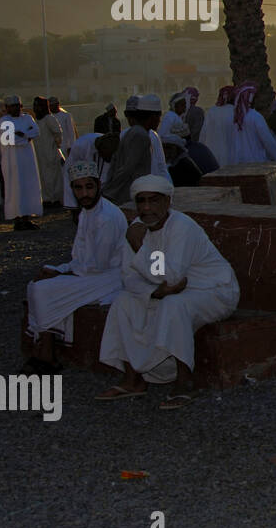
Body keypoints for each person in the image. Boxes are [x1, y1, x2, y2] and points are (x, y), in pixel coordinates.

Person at [96, 175, 239, 409]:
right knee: (122, 302)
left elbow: (172, 275)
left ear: (168, 201)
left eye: (154, 200)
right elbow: (129, 277)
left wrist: (140, 248)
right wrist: (154, 293)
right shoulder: (136, 230)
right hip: (165, 291)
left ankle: (185, 383)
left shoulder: (182, 226)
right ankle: (133, 379)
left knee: (175, 305)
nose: (147, 208)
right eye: (141, 201)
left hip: (215, 291)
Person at [22, 162, 128, 372]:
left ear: (98, 186)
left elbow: (98, 265)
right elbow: (80, 257)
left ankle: (46, 355)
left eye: (89, 187)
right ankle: (45, 351)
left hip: (110, 277)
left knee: (42, 289)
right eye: (78, 188)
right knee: (37, 284)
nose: (84, 193)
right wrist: (59, 269)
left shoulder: (106, 217)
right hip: (90, 273)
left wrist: (61, 272)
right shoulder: (87, 212)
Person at [0, 95, 42, 230]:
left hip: (28, 159)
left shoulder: (28, 118)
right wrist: (26, 135)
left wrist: (20, 134)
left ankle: (27, 218)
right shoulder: (4, 121)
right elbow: (9, 140)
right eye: (13, 106)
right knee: (15, 189)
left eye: (18, 105)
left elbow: (36, 131)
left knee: (29, 186)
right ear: (7, 108)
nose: (16, 108)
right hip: (13, 161)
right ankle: (17, 220)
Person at [229, 84, 276, 164]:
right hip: (255, 161)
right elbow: (268, 141)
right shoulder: (255, 116)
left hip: (237, 162)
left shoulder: (236, 117)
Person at [62, 131, 118, 209]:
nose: (108, 159)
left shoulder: (111, 147)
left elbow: (105, 176)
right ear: (101, 149)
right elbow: (71, 172)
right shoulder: (81, 146)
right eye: (106, 155)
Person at [32, 96, 65, 207]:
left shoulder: (49, 118)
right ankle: (46, 198)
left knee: (53, 177)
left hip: (50, 152)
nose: (36, 108)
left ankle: (55, 198)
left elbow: (58, 133)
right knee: (43, 177)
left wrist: (55, 146)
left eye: (38, 106)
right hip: (40, 153)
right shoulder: (36, 120)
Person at [201, 86, 236, 167]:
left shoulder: (211, 111)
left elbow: (203, 134)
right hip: (231, 155)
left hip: (212, 154)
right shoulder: (235, 111)